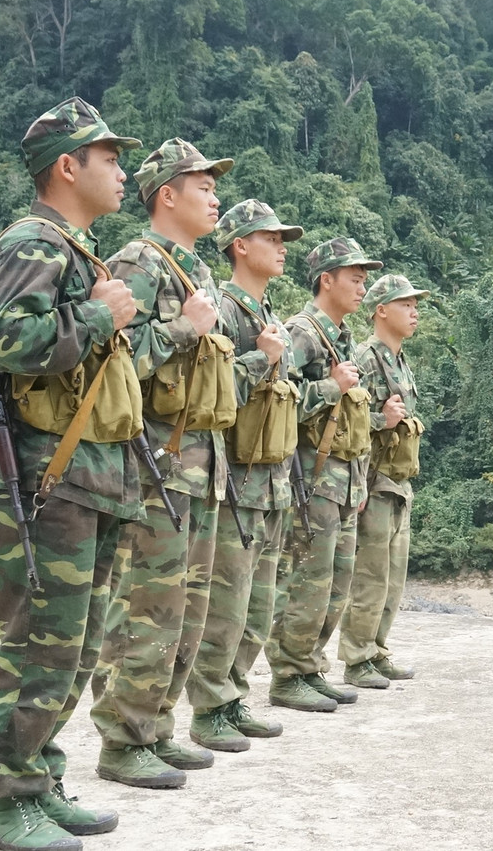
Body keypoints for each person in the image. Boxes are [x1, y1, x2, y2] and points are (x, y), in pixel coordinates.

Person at [0, 97, 142, 851]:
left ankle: (40, 775)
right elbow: (5, 340)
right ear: (67, 167)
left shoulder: (78, 251)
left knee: (74, 645)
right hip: (48, 477)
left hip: (88, 477)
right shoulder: (36, 243)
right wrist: (102, 315)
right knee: (37, 641)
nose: (122, 170)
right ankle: (9, 802)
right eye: (109, 158)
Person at [90, 138, 233, 789]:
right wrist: (184, 329)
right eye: (204, 185)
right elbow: (113, 364)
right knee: (147, 603)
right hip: (153, 465)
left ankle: (157, 725)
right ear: (166, 194)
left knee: (187, 608)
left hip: (200, 466)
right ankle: (123, 739)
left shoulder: (195, 271)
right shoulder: (139, 264)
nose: (216, 196)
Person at [185, 200, 302, 750]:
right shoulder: (226, 309)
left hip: (273, 483)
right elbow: (212, 394)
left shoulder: (268, 314)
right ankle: (209, 707)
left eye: (284, 239)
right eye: (271, 237)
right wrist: (260, 359)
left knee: (259, 607)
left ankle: (233, 695)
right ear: (239, 245)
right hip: (235, 480)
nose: (281, 246)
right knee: (227, 604)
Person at [266, 237, 380, 712]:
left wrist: (360, 481)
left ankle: (310, 666)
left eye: (364, 278)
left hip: (343, 479)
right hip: (311, 477)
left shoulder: (341, 334)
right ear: (325, 280)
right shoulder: (303, 331)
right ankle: (288, 673)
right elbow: (279, 398)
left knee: (336, 583)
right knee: (307, 581)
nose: (361, 286)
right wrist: (331, 386)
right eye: (353, 277)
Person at [339, 274, 430, 688]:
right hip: (374, 484)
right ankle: (357, 660)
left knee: (393, 580)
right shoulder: (365, 358)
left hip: (399, 484)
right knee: (371, 579)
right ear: (381, 310)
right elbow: (348, 424)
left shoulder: (399, 361)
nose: (414, 312)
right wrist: (382, 420)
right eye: (405, 304)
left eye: (416, 305)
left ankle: (376, 650)